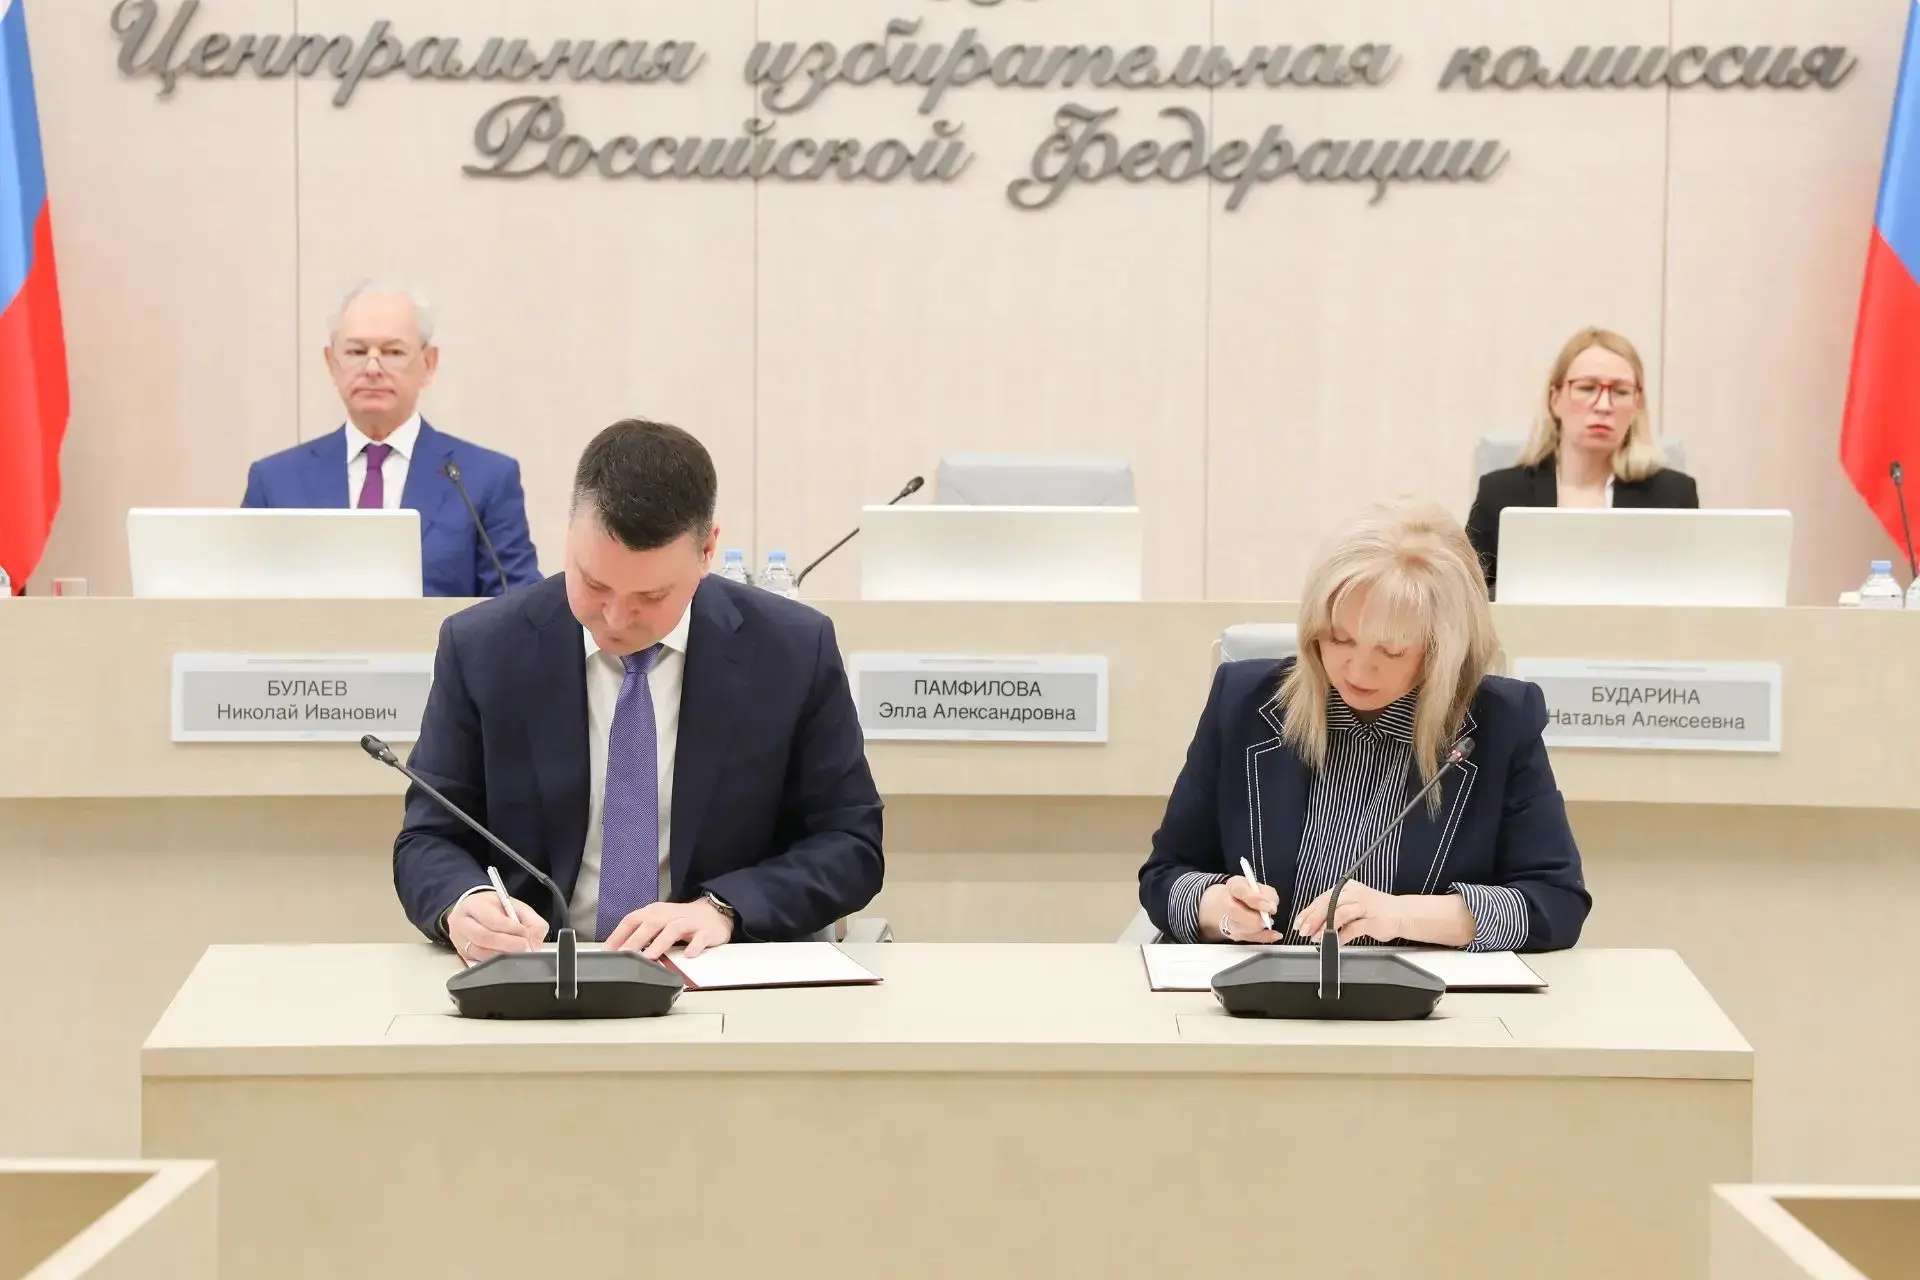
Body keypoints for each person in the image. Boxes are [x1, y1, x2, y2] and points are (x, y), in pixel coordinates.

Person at [392, 418, 885, 963]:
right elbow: (429, 838)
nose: (615, 618)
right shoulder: (483, 648)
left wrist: (724, 909)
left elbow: (850, 844)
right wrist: (464, 902)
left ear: (708, 550)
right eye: (594, 583)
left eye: (650, 597)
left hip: (716, 969)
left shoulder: (792, 650)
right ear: (569, 534)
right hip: (541, 973)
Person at [1138, 497, 1589, 952]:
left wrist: (1404, 915)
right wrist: (1217, 909)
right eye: (1339, 639)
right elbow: (1165, 874)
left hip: (1419, 992)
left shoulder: (1500, 724)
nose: (1357, 670)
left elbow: (1556, 903)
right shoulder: (1243, 702)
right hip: (1259, 985)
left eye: (1391, 650)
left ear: (1442, 648)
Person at [240, 281, 542, 598]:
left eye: (393, 352)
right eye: (356, 352)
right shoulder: (275, 482)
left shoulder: (483, 479)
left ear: (429, 363)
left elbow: (519, 601)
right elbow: (238, 600)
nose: (372, 368)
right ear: (331, 362)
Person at [1465, 327, 1699, 598]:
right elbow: (1467, 603)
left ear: (1637, 404)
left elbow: (1690, 602)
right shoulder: (1500, 494)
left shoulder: (1673, 497)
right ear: (1555, 399)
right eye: (1587, 388)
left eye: (1620, 391)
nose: (1603, 405)